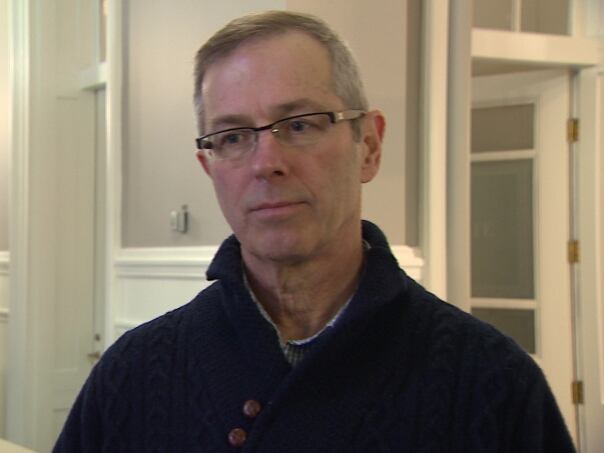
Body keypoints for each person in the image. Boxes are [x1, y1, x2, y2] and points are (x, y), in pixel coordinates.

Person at [54, 10, 574, 452]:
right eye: (233, 136)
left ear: (368, 145)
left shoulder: (489, 383)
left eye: (299, 125)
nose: (267, 162)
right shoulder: (136, 376)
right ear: (210, 167)